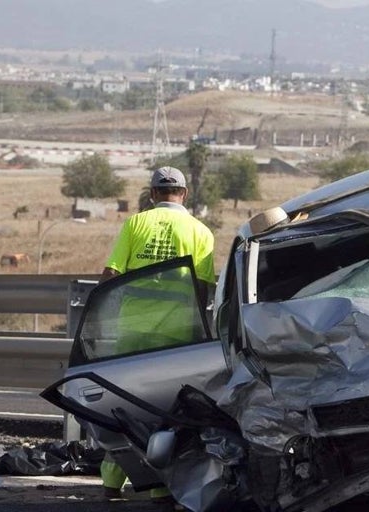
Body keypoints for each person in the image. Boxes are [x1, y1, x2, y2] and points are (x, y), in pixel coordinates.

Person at [99, 166, 216, 505]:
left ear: (151, 194)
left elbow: (111, 273)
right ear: (185, 193)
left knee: (120, 407)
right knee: (166, 411)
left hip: (131, 333)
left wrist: (95, 315)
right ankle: (161, 487)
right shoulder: (200, 231)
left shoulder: (136, 224)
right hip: (175, 337)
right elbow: (204, 290)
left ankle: (112, 482)